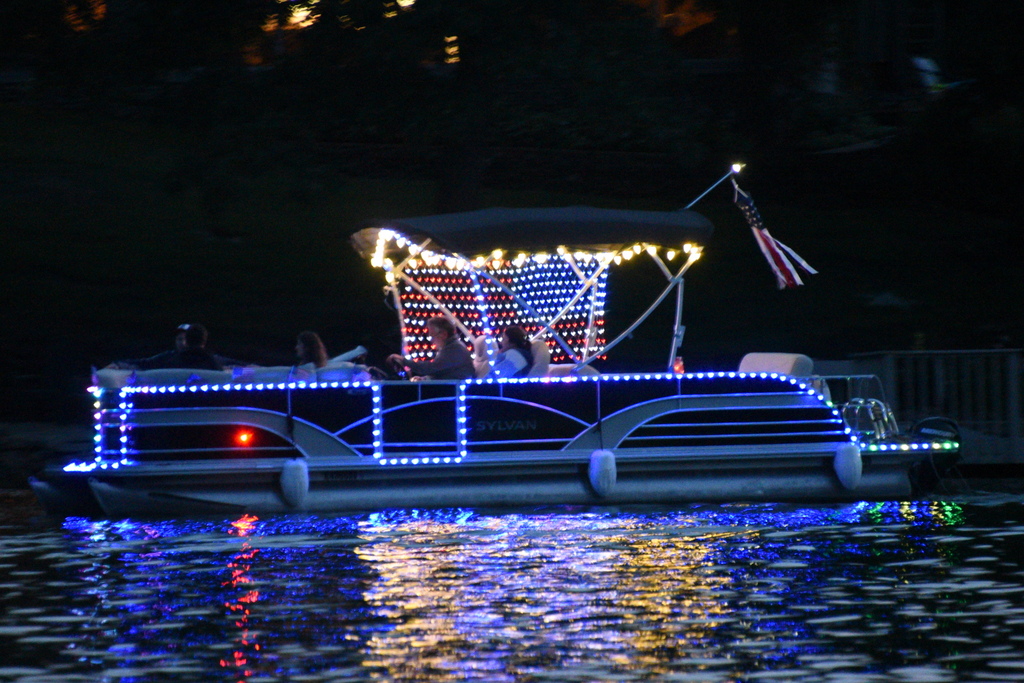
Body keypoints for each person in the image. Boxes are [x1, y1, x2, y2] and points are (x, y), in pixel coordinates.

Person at [387, 316, 475, 380]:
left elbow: (430, 368)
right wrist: (424, 379)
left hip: (452, 392)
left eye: (432, 336)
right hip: (449, 389)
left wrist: (404, 361)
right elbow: (440, 372)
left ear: (444, 334)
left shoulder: (455, 349)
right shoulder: (450, 347)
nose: (431, 340)